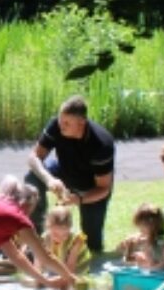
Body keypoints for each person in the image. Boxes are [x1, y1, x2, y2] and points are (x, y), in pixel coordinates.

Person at [24, 95, 115, 256]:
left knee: (92, 245)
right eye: (60, 120)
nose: (61, 126)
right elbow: (33, 157)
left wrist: (78, 199)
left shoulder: (102, 143)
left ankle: (86, 246)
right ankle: (36, 239)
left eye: (66, 123)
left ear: (81, 123)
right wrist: (49, 179)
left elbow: (103, 188)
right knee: (32, 178)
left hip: (91, 187)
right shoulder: (56, 126)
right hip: (63, 172)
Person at [36, 206, 93, 276]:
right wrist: (38, 275)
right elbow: (38, 258)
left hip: (77, 267)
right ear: (48, 227)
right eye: (55, 234)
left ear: (70, 228)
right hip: (60, 264)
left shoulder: (77, 240)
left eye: (65, 234)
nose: (60, 238)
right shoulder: (45, 238)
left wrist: (64, 279)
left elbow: (71, 265)